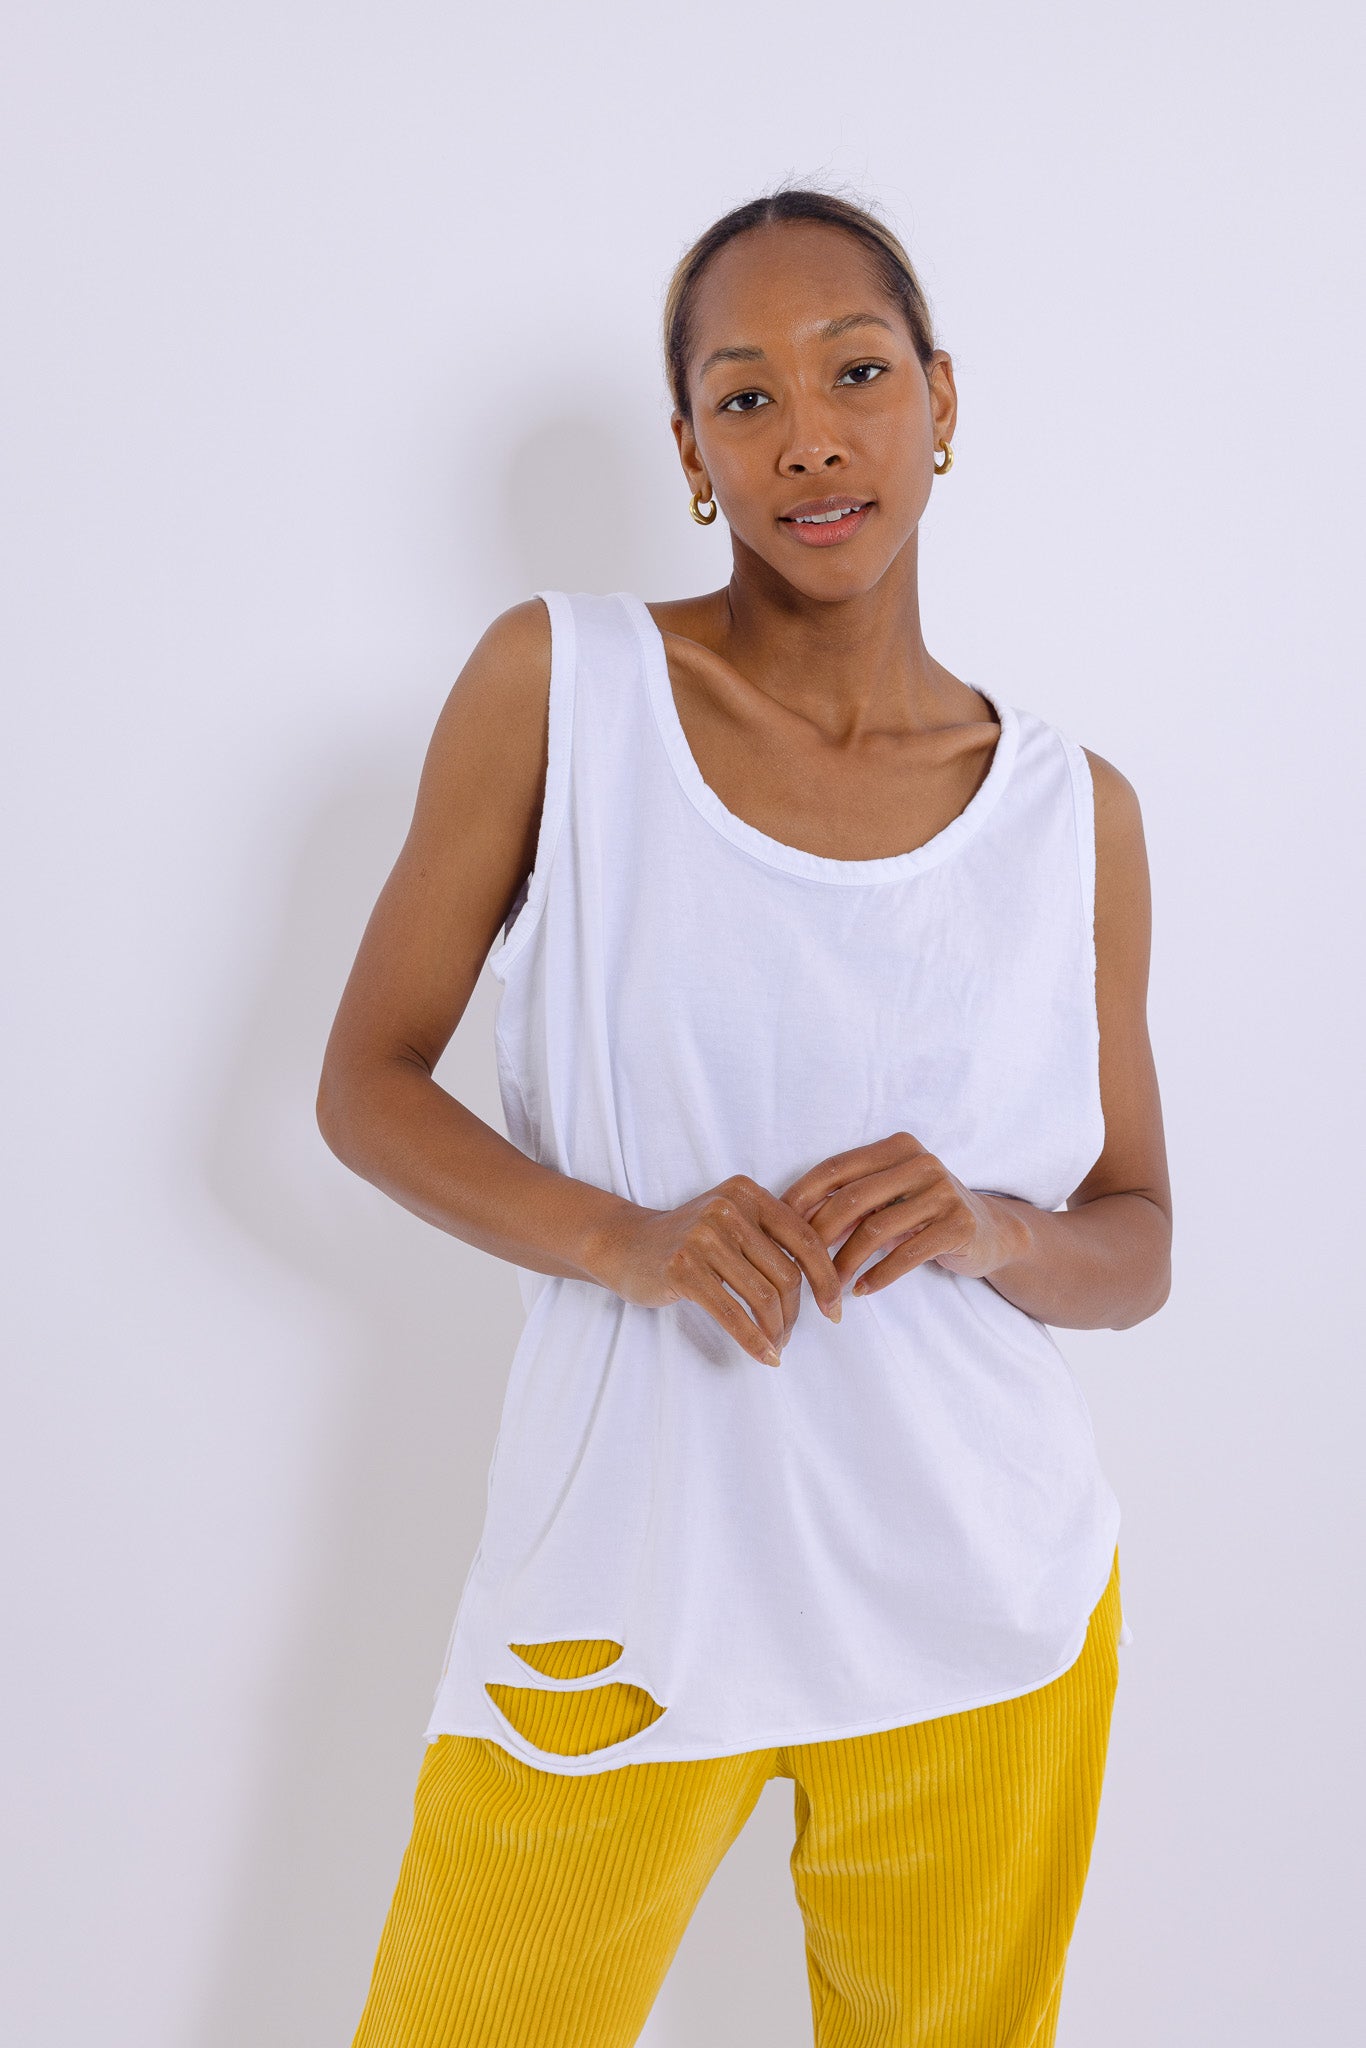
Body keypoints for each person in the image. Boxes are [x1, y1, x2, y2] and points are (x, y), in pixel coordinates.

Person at [318, 185, 1172, 2048]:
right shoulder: (565, 685)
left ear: (940, 401)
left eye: (855, 373)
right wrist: (625, 1238)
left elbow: (1136, 1241)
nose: (808, 437)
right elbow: (366, 1082)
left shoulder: (1070, 813)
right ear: (692, 451)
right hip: (627, 1588)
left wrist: (990, 1225)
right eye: (743, 396)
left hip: (982, 1606)